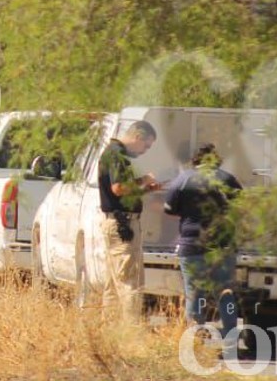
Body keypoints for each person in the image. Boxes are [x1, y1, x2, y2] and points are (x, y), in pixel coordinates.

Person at [163, 143, 243, 347]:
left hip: (191, 245)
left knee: (195, 294)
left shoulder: (184, 179)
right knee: (225, 294)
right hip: (222, 246)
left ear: (195, 160)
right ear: (216, 159)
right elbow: (241, 205)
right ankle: (231, 340)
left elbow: (169, 208)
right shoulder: (228, 179)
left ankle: (195, 341)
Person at [97, 120, 160, 315]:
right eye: (146, 145)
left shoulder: (113, 152)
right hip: (122, 224)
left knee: (114, 284)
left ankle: (111, 331)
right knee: (129, 283)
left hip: (117, 222)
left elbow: (123, 192)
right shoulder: (117, 154)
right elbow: (119, 188)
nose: (145, 151)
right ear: (138, 137)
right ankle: (130, 333)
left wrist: (145, 190)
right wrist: (143, 180)